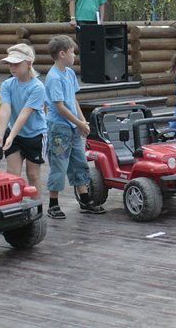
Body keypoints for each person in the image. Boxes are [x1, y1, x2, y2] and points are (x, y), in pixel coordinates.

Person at [44, 35, 105, 219]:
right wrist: (78, 123)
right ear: (62, 54)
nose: (74, 56)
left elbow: (73, 100)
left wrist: (81, 121)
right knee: (59, 164)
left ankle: (85, 199)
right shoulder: (54, 77)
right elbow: (59, 106)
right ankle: (53, 204)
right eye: (72, 52)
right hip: (59, 128)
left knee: (79, 162)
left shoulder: (69, 74)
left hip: (73, 127)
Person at [0, 44, 47, 189]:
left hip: (35, 135)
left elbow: (25, 114)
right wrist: (0, 134)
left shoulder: (37, 87)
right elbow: (5, 109)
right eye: (10, 64)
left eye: (16, 63)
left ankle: (37, 206)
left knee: (33, 175)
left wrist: (10, 137)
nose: (12, 67)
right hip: (14, 133)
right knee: (12, 174)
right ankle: (16, 208)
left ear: (29, 63)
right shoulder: (7, 84)